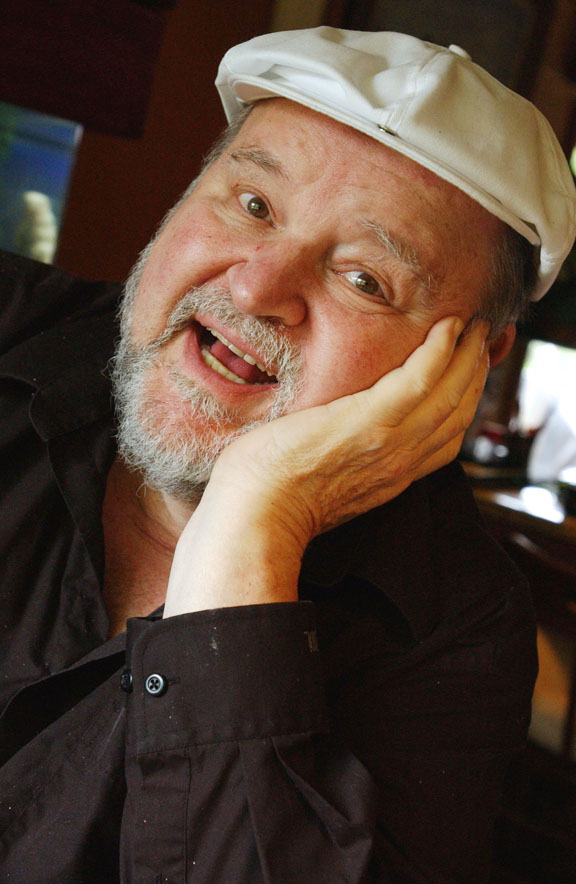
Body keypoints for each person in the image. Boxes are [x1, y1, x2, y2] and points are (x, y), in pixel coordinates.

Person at [0, 27, 575, 884]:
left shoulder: (457, 636)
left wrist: (256, 517)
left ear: (468, 363)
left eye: (365, 279)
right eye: (254, 205)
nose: (256, 288)